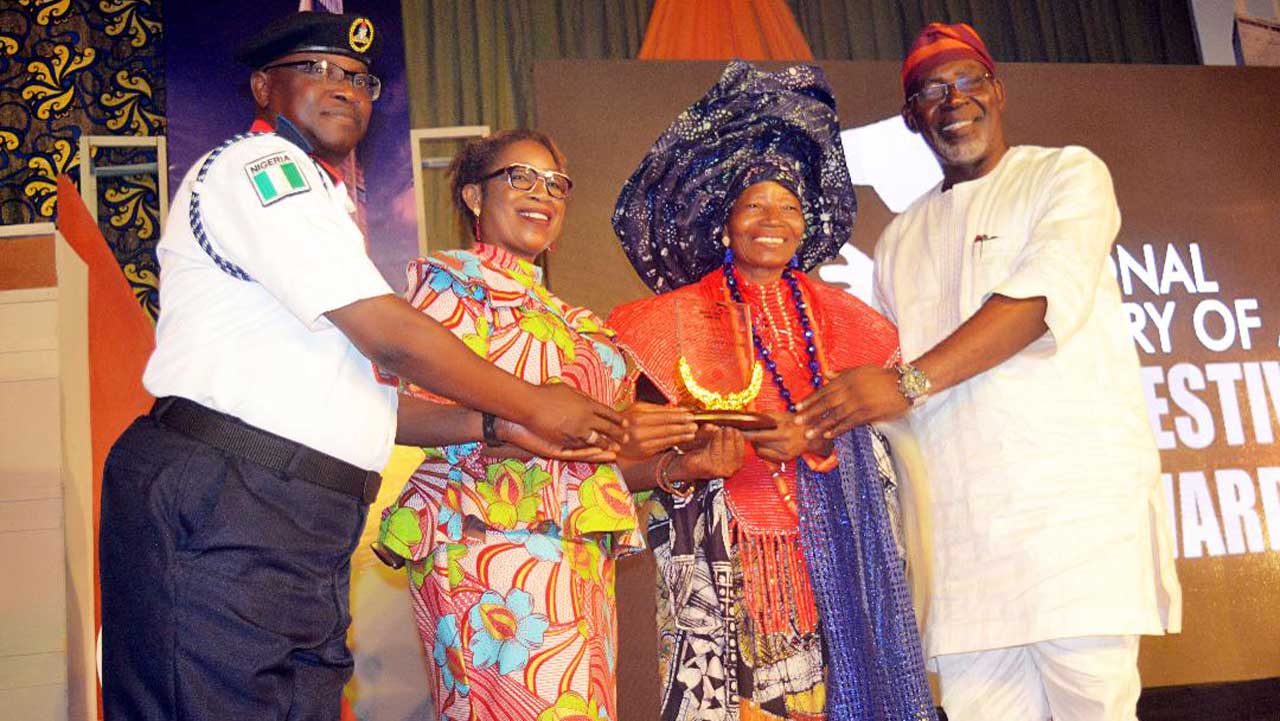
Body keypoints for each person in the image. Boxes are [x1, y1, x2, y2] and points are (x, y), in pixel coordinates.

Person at [98, 13, 623, 721]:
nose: (343, 86)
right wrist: (531, 402)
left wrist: (495, 423)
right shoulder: (256, 169)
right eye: (316, 69)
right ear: (263, 87)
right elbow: (390, 339)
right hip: (229, 488)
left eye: (357, 77)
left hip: (298, 514)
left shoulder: (326, 206)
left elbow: (368, 400)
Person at [797, 23, 1182, 721]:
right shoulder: (900, 238)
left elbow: (1039, 301)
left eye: (967, 81)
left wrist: (906, 383)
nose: (954, 100)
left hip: (1070, 526)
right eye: (931, 92)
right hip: (961, 545)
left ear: (997, 91)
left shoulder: (1065, 174)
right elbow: (882, 380)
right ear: (912, 117)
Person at [373, 129, 743, 721]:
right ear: (474, 196)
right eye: (520, 177)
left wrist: (677, 465)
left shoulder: (578, 325)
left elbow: (588, 467)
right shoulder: (449, 287)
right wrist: (507, 425)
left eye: (555, 185)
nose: (541, 194)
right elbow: (395, 413)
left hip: (577, 559)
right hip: (485, 546)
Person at [607, 61, 936, 721]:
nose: (773, 219)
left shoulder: (853, 322)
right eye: (754, 204)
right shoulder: (665, 323)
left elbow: (900, 440)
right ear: (724, 223)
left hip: (840, 563)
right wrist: (692, 461)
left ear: (805, 224)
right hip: (719, 571)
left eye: (788, 206)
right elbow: (621, 455)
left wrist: (816, 435)